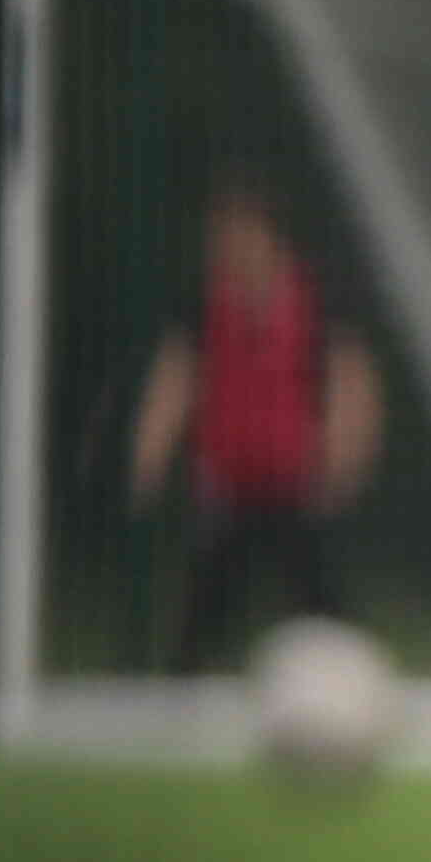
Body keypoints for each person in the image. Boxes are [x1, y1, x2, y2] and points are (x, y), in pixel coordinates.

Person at [126, 179, 380, 670]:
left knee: (325, 607)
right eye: (220, 236)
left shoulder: (316, 298)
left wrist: (347, 455)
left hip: (298, 483)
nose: (228, 246)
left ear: (270, 236)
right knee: (204, 607)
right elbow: (174, 381)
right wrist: (150, 452)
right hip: (229, 484)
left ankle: (351, 686)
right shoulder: (202, 305)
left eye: (240, 233)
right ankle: (182, 695)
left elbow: (353, 381)